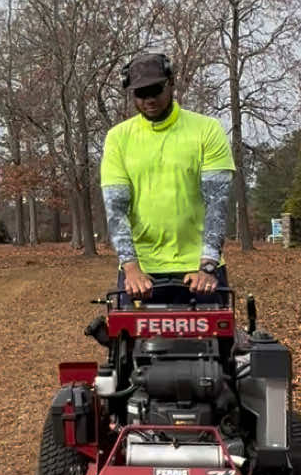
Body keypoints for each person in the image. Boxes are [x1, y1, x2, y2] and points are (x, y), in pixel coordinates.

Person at [100, 51, 235, 299]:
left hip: (200, 270)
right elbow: (116, 208)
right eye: (140, 93)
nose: (149, 99)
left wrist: (207, 266)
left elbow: (217, 202)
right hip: (141, 273)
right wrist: (131, 268)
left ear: (171, 83)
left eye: (156, 89)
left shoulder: (207, 130)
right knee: (125, 336)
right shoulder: (118, 138)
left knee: (216, 337)